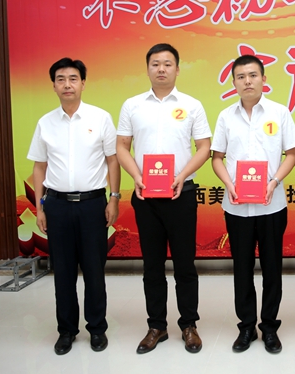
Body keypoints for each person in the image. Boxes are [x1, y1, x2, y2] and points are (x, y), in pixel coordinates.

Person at [116, 43, 211, 354]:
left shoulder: (192, 105)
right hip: (145, 195)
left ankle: (189, 325)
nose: (161, 69)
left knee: (185, 265)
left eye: (167, 64)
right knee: (152, 265)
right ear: (147, 69)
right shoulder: (132, 105)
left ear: (177, 69)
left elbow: (204, 147)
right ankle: (156, 325)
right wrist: (136, 176)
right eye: (155, 63)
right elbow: (121, 146)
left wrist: (182, 175)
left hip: (181, 194)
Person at [28, 58, 120, 355]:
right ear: (53, 85)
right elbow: (39, 167)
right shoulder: (45, 123)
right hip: (57, 205)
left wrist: (114, 198)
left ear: (83, 83)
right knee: (63, 272)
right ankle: (66, 330)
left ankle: (97, 329)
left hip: (93, 205)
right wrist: (40, 207)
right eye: (61, 79)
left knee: (94, 271)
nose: (67, 84)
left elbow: (112, 161)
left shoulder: (100, 118)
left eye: (73, 79)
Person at [211, 54, 295, 354]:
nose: (247, 81)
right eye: (241, 77)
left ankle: (270, 327)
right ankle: (247, 326)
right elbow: (217, 158)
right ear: (234, 82)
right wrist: (229, 184)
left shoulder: (279, 112)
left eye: (252, 75)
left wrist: (274, 181)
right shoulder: (226, 116)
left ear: (263, 79)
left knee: (272, 268)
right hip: (236, 206)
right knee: (242, 268)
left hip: (271, 205)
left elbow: (291, 154)